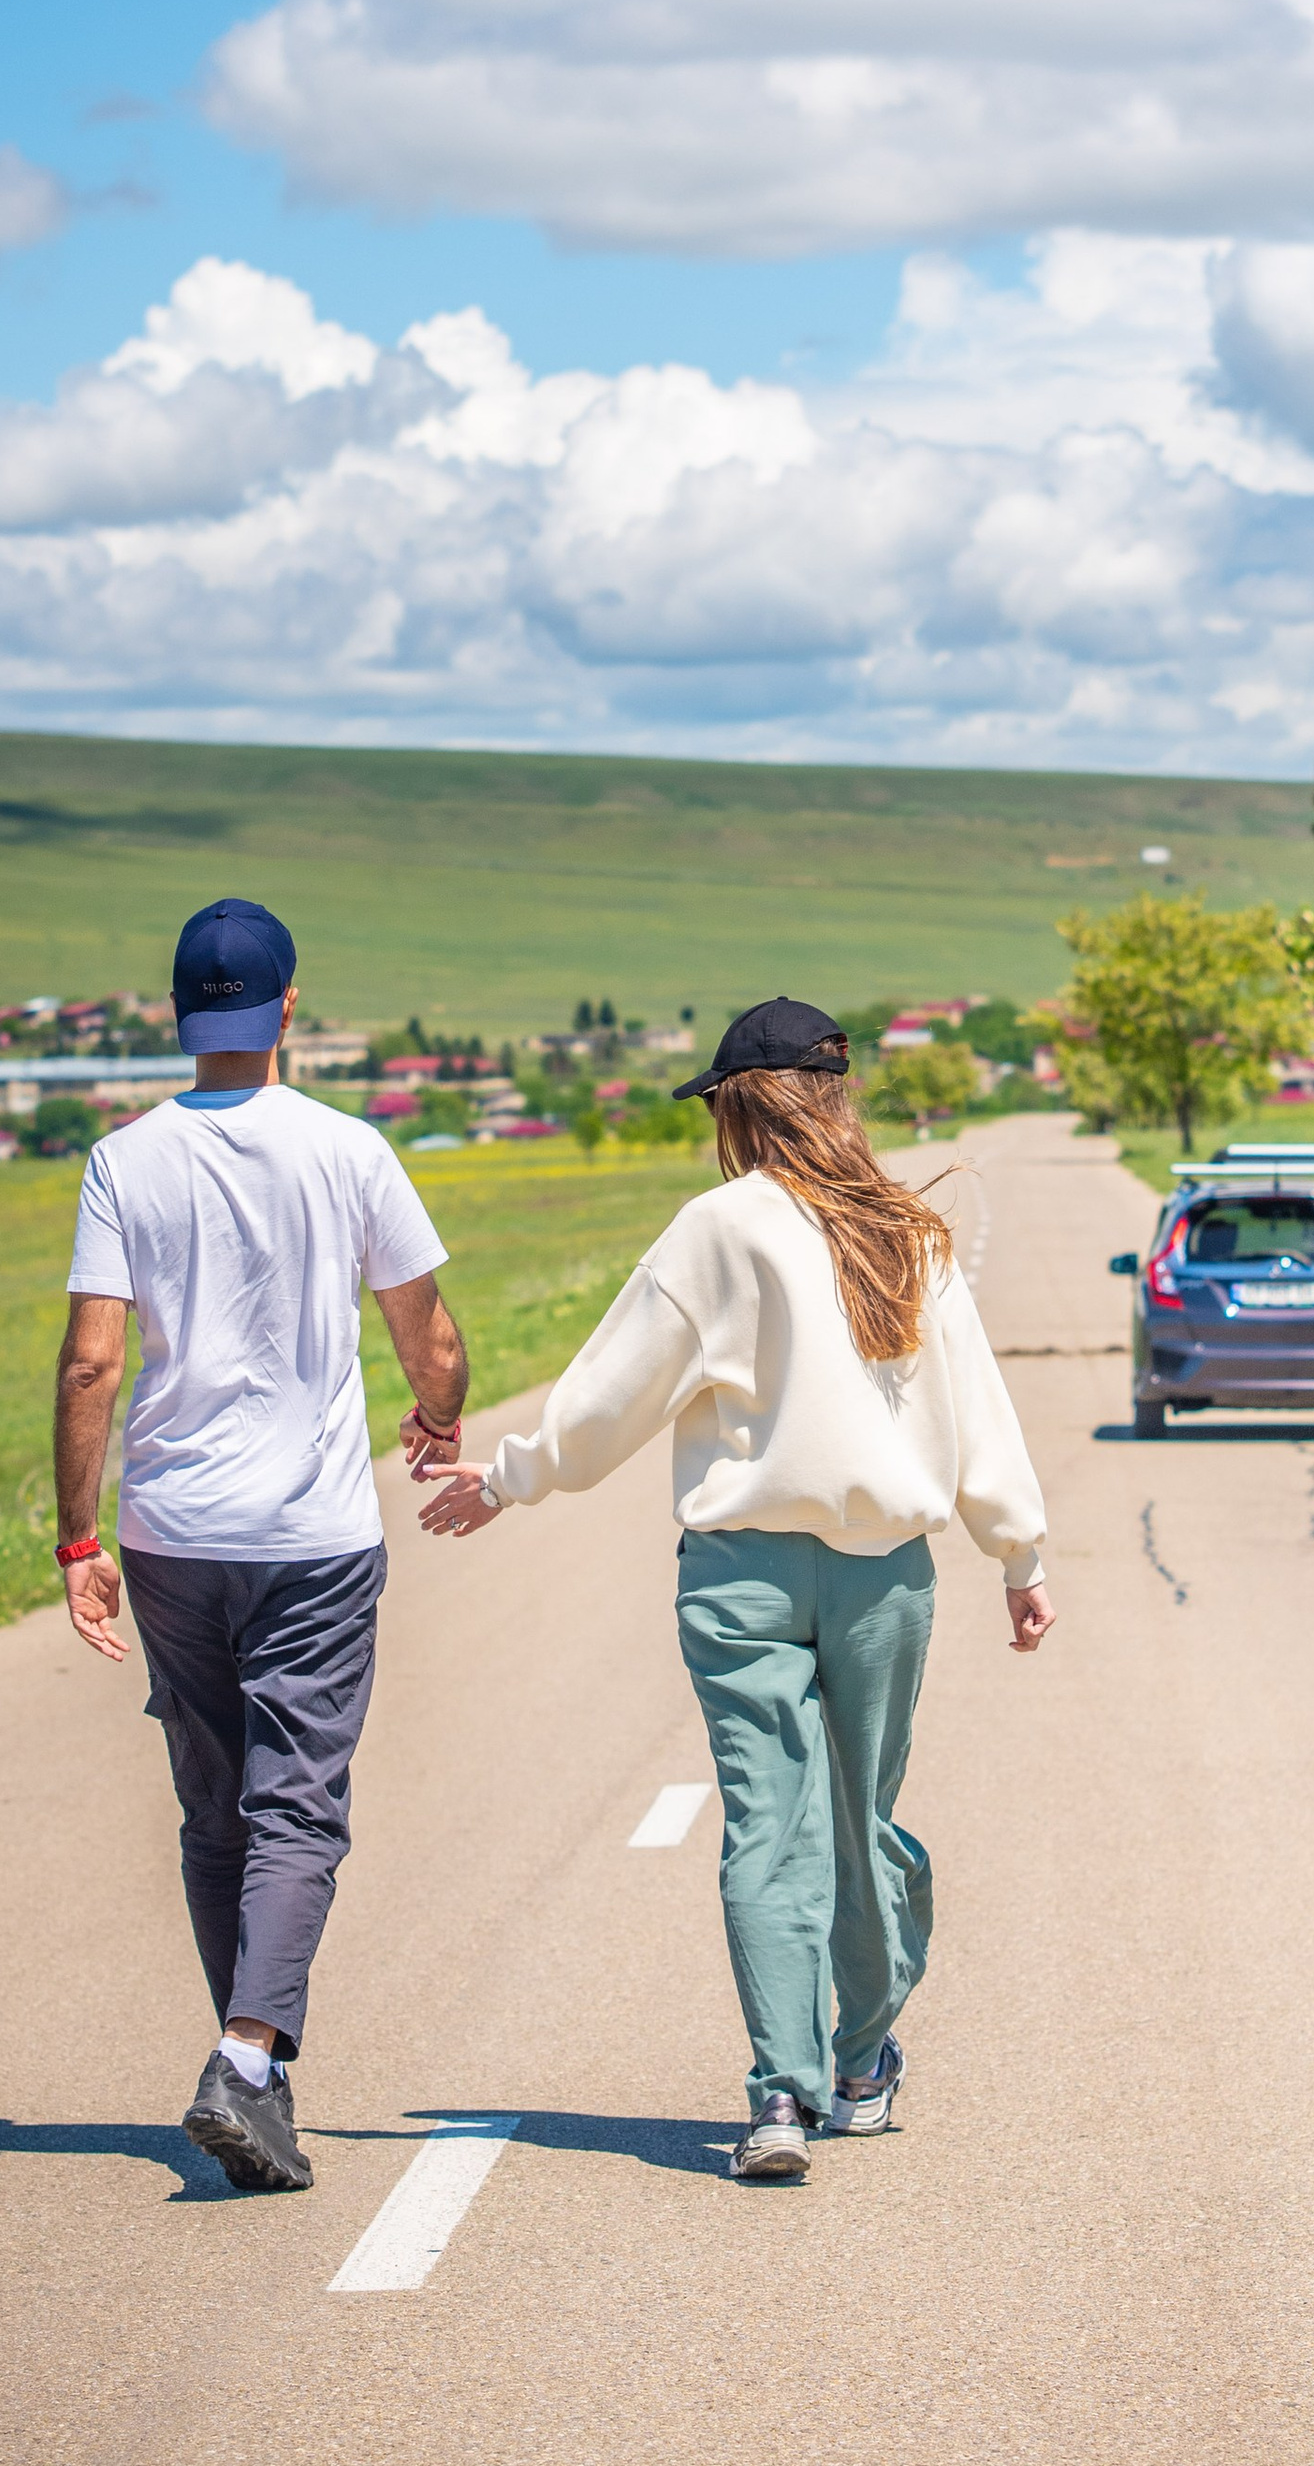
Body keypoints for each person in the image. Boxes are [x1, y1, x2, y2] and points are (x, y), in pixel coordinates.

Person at [420, 994, 1052, 2183]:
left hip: (738, 1575)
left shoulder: (716, 1229)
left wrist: (508, 1481)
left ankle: (779, 2096)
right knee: (860, 1825)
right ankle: (859, 2063)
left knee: (767, 1826)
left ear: (739, 1106)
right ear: (833, 1095)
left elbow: (612, 1393)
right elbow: (977, 1413)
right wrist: (1017, 1557)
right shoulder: (907, 1233)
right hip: (886, 1583)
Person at [53, 899, 470, 2194]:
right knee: (298, 1804)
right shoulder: (350, 1150)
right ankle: (244, 2057)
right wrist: (438, 1416)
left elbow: (90, 1363)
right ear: (289, 1005)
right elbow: (429, 1330)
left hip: (173, 1535)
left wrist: (78, 1535)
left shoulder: (125, 1160)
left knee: (214, 1806)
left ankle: (255, 2070)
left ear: (178, 1009)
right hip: (312, 1536)